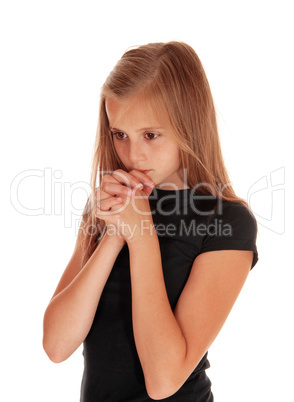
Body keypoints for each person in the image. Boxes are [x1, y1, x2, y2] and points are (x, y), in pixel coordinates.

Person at [43, 41, 259, 401]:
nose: (132, 154)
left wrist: (141, 235)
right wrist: (113, 234)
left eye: (151, 135)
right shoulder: (108, 207)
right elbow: (56, 345)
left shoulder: (227, 221)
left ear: (188, 126)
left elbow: (164, 380)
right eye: (120, 135)